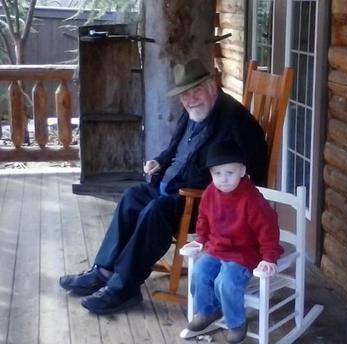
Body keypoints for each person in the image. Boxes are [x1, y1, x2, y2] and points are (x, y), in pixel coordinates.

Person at [59, 59, 268, 315]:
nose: (190, 99)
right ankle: (103, 271)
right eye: (184, 94)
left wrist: (221, 197)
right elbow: (174, 150)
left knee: (155, 212)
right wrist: (160, 161)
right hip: (169, 189)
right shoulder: (194, 112)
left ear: (212, 86)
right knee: (133, 196)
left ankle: (124, 287)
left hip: (201, 203)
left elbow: (253, 173)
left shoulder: (235, 124)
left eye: (196, 91)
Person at [182, 140, 283, 343]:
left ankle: (236, 322)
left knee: (225, 282)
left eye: (230, 172)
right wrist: (201, 239)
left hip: (243, 253)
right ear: (211, 173)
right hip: (216, 248)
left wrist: (269, 257)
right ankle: (208, 311)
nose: (224, 179)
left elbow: (268, 228)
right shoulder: (211, 192)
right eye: (217, 173)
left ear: (242, 171)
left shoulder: (252, 199)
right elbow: (203, 217)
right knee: (200, 273)